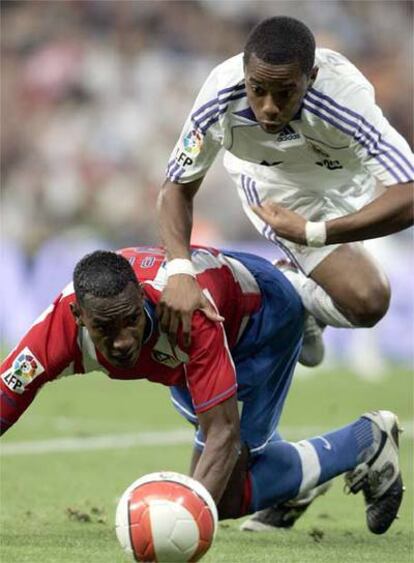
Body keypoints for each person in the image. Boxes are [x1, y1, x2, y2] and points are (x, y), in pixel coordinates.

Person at [0, 246, 404, 535]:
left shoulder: (188, 313)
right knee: (225, 477)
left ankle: (366, 440)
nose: (121, 341)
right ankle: (291, 484)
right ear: (78, 316)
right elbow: (6, 394)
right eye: (105, 329)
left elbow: (223, 433)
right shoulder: (54, 330)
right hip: (186, 355)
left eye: (129, 321)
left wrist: (184, 524)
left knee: (222, 497)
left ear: (143, 298)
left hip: (259, 321)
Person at [157, 16, 414, 369]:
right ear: (244, 71)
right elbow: (175, 188)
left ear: (312, 78)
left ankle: (294, 290)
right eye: (257, 89)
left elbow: (410, 192)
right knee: (368, 300)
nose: (269, 107)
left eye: (285, 92)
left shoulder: (346, 102)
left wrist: (315, 233)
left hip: (346, 186)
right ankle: (295, 289)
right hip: (274, 186)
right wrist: (180, 271)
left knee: (364, 302)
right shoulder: (219, 96)